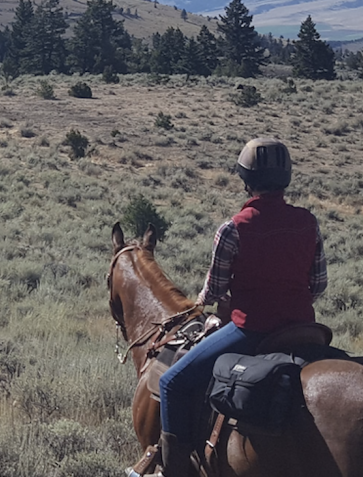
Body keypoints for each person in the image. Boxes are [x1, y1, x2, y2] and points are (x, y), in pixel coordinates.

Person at [134, 138, 328, 477]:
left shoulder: (233, 228)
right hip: (304, 330)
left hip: (251, 331)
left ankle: (176, 470)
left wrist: (200, 301)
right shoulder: (308, 222)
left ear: (245, 179)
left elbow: (216, 288)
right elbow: (319, 284)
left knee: (171, 383)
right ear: (286, 179)